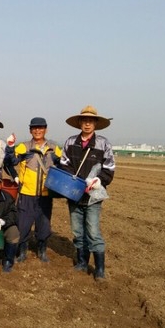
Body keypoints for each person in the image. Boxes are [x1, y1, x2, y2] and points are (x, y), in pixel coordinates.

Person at [60, 105, 115, 280]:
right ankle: (82, 262)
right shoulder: (70, 142)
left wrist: (99, 180)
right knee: (77, 231)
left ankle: (99, 269)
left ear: (96, 124)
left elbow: (109, 167)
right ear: (80, 123)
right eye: (84, 120)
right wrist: (74, 181)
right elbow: (64, 163)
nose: (87, 124)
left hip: (93, 197)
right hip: (74, 194)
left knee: (93, 231)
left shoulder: (103, 143)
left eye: (91, 121)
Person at [4, 117, 61, 263]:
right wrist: (10, 148)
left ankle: (42, 251)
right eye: (34, 128)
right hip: (26, 194)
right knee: (23, 224)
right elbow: (9, 162)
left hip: (46, 194)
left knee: (44, 225)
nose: (37, 130)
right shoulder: (24, 147)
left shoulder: (54, 148)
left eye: (40, 128)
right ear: (30, 130)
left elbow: (63, 167)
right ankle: (22, 252)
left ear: (45, 129)